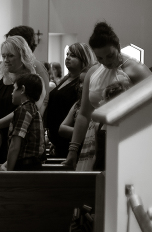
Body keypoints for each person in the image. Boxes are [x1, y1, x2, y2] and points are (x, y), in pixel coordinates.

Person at [65, 22, 151, 171]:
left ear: (118, 46)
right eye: (100, 58)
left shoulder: (136, 70)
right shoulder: (93, 72)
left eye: (110, 55)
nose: (106, 62)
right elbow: (84, 114)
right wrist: (73, 149)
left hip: (127, 134)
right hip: (96, 136)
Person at [0, 36, 41, 164]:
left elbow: (28, 110)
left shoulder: (33, 80)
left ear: (22, 56)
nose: (6, 60)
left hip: (18, 135)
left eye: (11, 56)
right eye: (4, 56)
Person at [46, 43, 96, 158]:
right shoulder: (66, 79)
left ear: (83, 58)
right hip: (58, 140)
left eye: (73, 55)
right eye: (67, 54)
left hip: (70, 139)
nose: (67, 57)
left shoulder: (83, 83)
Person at [1, 74, 45, 171]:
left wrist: (8, 171)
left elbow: (15, 145)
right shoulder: (33, 108)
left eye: (14, 89)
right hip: (34, 164)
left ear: (22, 90)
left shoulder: (23, 110)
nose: (11, 93)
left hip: (25, 166)